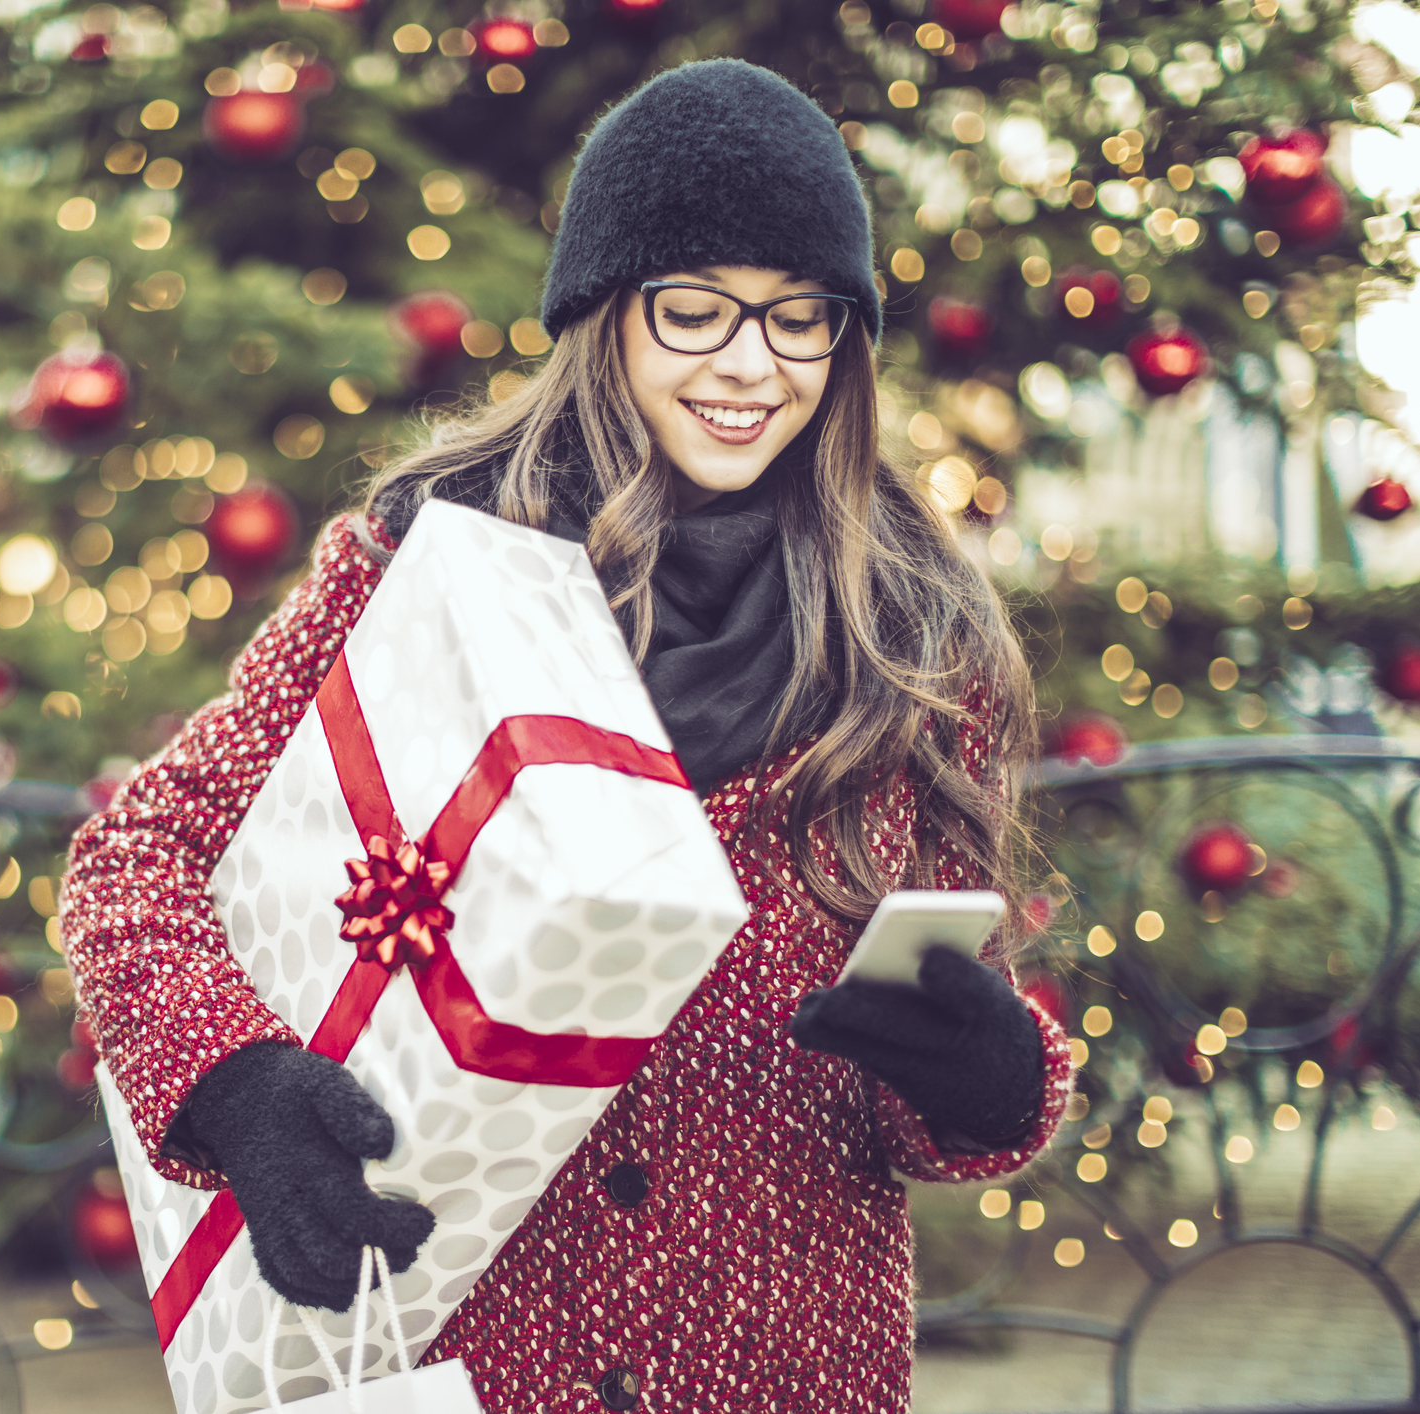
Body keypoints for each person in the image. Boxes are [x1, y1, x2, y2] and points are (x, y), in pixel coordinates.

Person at [62, 58, 1073, 1414]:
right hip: (472, 1362)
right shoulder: (430, 563)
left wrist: (990, 1074)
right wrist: (235, 1081)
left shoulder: (913, 633)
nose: (750, 364)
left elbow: (939, 1092)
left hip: (783, 1369)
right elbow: (137, 854)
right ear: (603, 314)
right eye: (694, 310)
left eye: (799, 319)